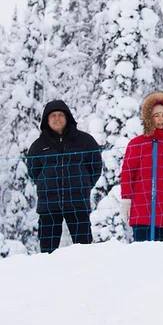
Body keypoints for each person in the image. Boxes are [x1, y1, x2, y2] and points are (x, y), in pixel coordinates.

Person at [25, 100, 101, 253]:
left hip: (78, 203)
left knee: (84, 249)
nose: (57, 118)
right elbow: (34, 172)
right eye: (53, 115)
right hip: (49, 206)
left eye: (60, 115)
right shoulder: (38, 146)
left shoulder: (85, 141)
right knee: (47, 252)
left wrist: (84, 184)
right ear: (46, 120)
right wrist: (46, 186)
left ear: (67, 118)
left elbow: (95, 166)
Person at [120, 92, 163, 242]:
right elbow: (127, 174)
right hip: (141, 206)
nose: (161, 119)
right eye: (157, 115)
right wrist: (126, 200)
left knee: (161, 251)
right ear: (149, 117)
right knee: (141, 249)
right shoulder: (136, 143)